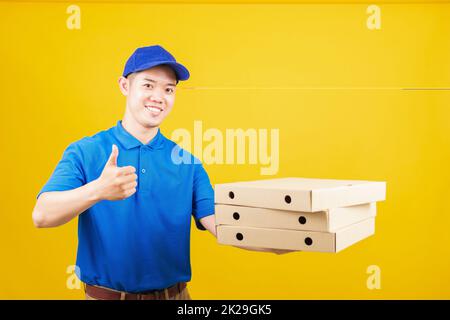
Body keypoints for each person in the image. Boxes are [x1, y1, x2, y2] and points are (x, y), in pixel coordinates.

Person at [32, 45, 290, 300]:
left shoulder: (188, 163)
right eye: (148, 85)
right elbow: (42, 215)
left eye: (169, 89)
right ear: (124, 86)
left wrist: (281, 241)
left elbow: (221, 224)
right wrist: (98, 189)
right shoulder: (85, 151)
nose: (159, 96)